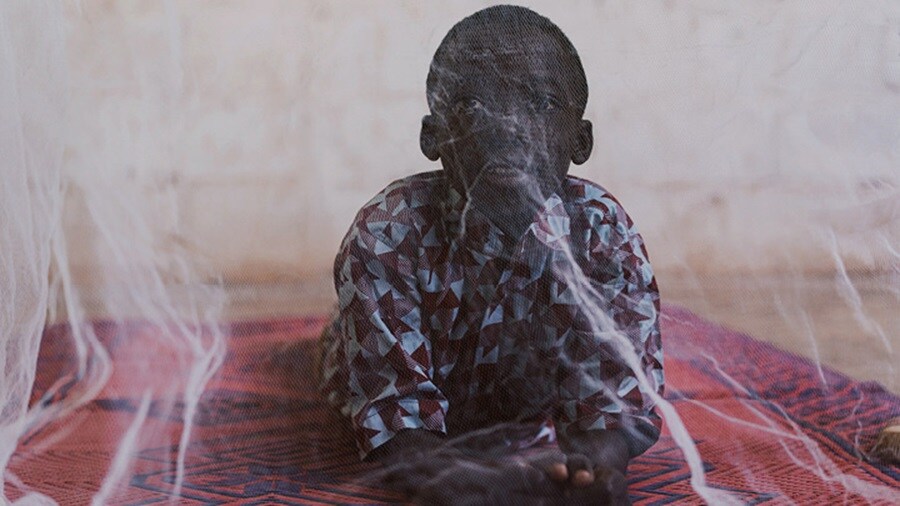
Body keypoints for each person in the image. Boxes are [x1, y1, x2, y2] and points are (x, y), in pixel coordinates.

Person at [318, 5, 663, 504]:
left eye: (543, 103)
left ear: (581, 141)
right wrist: (476, 485)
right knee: (324, 351)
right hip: (360, 370)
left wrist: (595, 469)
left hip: (515, 407)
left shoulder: (600, 232)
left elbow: (614, 404)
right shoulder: (389, 232)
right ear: (432, 137)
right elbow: (397, 427)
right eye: (472, 105)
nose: (508, 127)